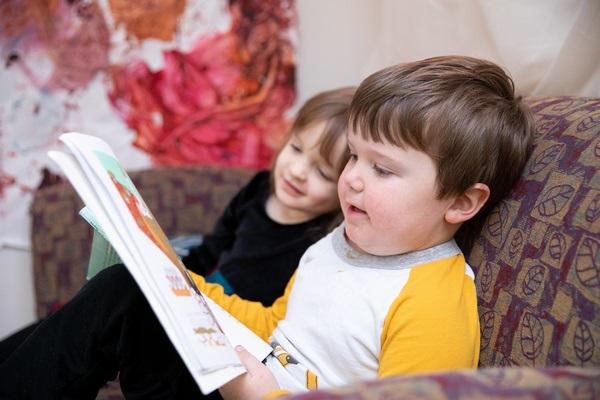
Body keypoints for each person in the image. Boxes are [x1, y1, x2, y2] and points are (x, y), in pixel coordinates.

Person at [0, 56, 535, 400]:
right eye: (353, 158)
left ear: (461, 202)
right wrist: (187, 290)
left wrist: (260, 394)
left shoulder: (433, 302)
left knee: (120, 300)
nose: (351, 181)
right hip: (238, 375)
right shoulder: (341, 243)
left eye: (383, 169)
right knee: (129, 291)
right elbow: (278, 326)